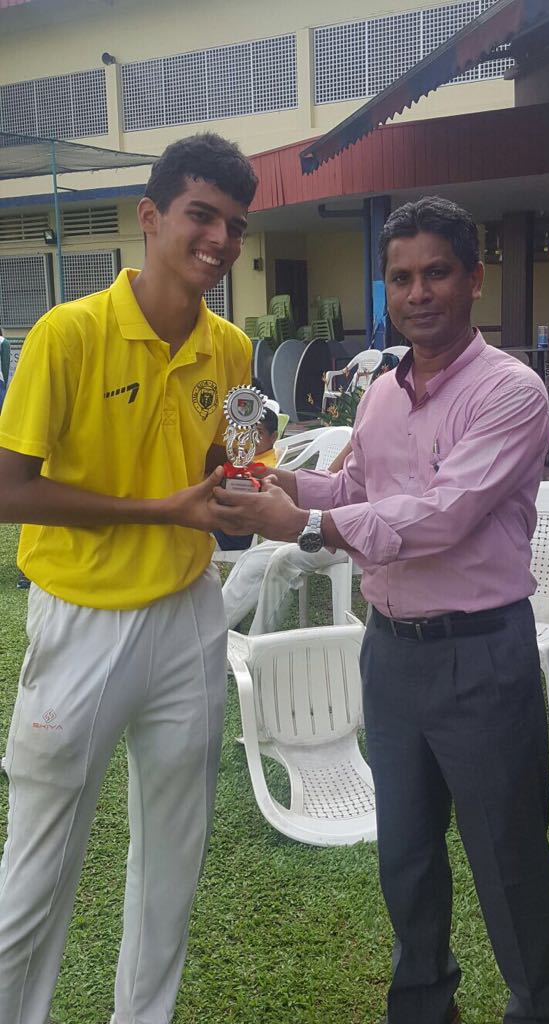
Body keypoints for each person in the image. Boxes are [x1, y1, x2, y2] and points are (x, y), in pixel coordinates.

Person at [213, 196, 549, 1024]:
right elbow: (358, 488)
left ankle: (539, 1009)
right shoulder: (379, 392)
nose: (418, 293)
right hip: (392, 655)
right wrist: (280, 481)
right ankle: (422, 1006)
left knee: (509, 862)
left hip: (482, 657)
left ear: (473, 279)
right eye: (401, 277)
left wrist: (304, 525)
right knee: (406, 856)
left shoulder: (512, 393)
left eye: (436, 272)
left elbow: (443, 515)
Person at [0, 132, 258, 1024]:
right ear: (150, 217)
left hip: (190, 616)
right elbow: (9, 490)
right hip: (82, 618)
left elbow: (223, 463)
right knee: (37, 871)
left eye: (235, 225)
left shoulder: (232, 348)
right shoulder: (67, 333)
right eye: (201, 216)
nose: (220, 241)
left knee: (172, 863)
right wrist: (164, 511)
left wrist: (243, 489)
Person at [222, 439, 352, 633]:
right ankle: (210, 639)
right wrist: (256, 475)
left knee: (282, 559)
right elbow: (330, 480)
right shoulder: (367, 427)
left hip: (360, 534)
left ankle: (258, 645)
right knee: (252, 558)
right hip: (326, 520)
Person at [213, 403, 278, 551]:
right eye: (247, 433)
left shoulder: (264, 467)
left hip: (233, 533)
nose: (250, 440)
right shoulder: (246, 458)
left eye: (258, 433)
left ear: (273, 437)